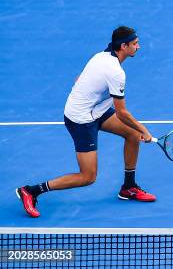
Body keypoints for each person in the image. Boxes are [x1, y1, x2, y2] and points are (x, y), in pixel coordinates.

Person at [16, 26, 156, 218]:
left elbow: (78, 79)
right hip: (80, 119)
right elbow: (122, 113)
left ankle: (128, 187)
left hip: (96, 110)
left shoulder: (101, 56)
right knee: (88, 177)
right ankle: (32, 190)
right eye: (135, 43)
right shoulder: (116, 73)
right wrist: (144, 130)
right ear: (124, 46)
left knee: (132, 134)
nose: (139, 47)